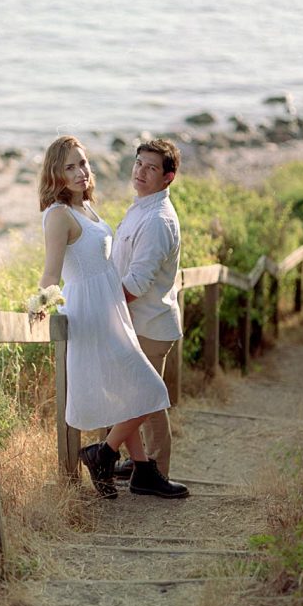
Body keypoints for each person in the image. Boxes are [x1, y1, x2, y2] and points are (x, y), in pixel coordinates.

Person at [37, 135, 188, 499]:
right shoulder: (60, 215)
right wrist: (39, 305)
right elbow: (51, 274)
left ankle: (127, 464)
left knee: (136, 392)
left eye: (83, 164)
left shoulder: (89, 207)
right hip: (94, 311)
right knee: (146, 390)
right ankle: (109, 457)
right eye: (69, 167)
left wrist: (110, 303)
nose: (80, 172)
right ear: (55, 173)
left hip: (112, 310)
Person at [111, 139, 184, 483]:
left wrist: (102, 307)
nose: (140, 171)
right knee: (135, 397)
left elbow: (137, 283)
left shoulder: (157, 220)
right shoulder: (141, 205)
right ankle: (140, 463)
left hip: (149, 326)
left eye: (151, 167)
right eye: (139, 163)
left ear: (168, 177)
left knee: (149, 403)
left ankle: (155, 472)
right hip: (137, 322)